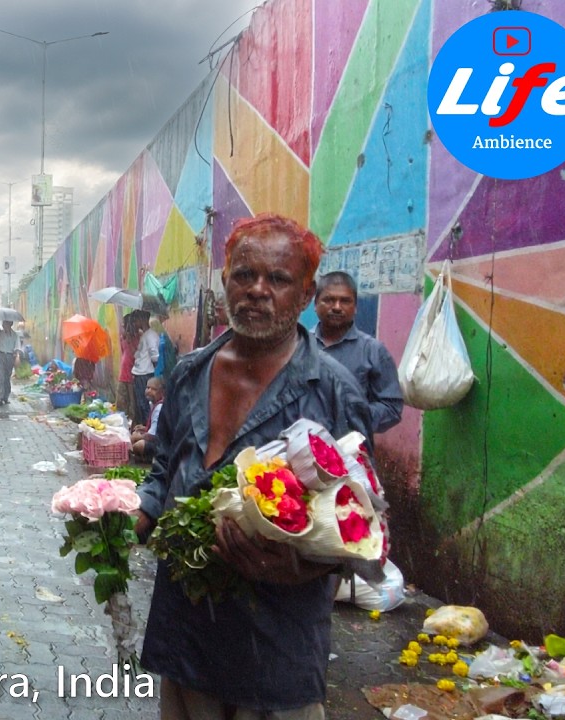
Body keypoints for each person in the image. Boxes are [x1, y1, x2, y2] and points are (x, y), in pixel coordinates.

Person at [133, 213, 372, 719]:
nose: (258, 290)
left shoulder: (332, 393)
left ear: (305, 295)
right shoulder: (189, 375)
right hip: (188, 636)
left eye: (278, 279)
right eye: (244, 275)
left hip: (275, 650)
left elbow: (363, 528)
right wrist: (135, 513)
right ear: (225, 283)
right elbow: (162, 469)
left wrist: (298, 568)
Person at [312, 271, 404, 434]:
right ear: (315, 304)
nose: (337, 307)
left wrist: (355, 418)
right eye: (329, 300)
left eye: (345, 301)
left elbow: (392, 407)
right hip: (300, 450)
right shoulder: (299, 346)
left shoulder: (373, 351)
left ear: (355, 307)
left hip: (351, 452)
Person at [132, 312, 160, 426]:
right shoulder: (145, 334)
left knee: (144, 404)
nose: (134, 323)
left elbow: (155, 355)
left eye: (136, 319)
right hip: (140, 373)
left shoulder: (151, 335)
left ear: (142, 319)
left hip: (145, 374)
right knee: (140, 404)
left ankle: (148, 428)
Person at [130, 377, 164, 459]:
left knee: (138, 444)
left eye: (154, 389)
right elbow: (155, 428)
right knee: (136, 433)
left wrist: (139, 436)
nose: (149, 391)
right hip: (157, 439)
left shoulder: (159, 408)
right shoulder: (153, 404)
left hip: (162, 444)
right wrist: (144, 428)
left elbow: (153, 435)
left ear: (161, 392)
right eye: (148, 388)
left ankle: (150, 458)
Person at [0, 320, 21, 407]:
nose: (4, 325)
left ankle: (6, 396)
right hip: (0, 356)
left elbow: (17, 347)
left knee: (7, 377)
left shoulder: (15, 335)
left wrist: (17, 357)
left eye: (6, 324)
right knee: (1, 377)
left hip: (10, 357)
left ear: (10, 324)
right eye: (3, 324)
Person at [116, 313, 139, 423]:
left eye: (124, 325)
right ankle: (121, 421)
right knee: (121, 401)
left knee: (132, 404)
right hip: (123, 373)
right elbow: (123, 352)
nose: (122, 328)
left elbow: (137, 355)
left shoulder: (139, 338)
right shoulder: (123, 338)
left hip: (133, 374)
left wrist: (131, 342)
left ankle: (132, 424)